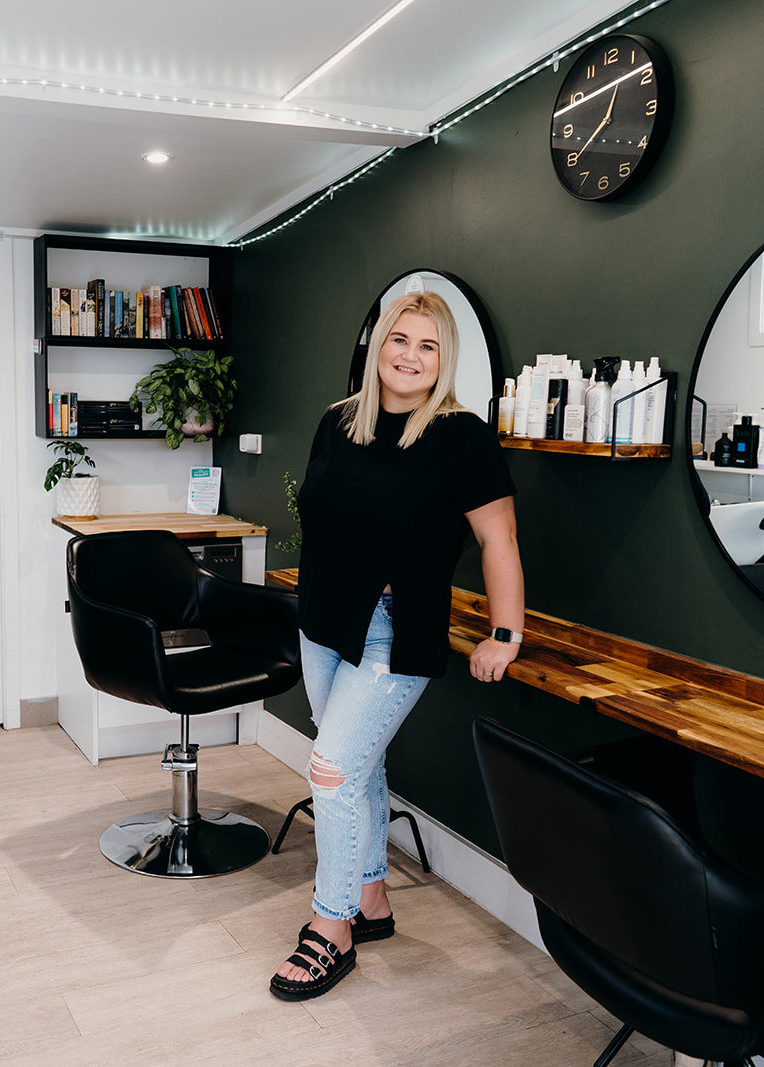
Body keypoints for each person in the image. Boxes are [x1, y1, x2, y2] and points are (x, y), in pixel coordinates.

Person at [270, 291, 524, 1001]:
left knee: (329, 767)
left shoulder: (460, 434)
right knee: (358, 763)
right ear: (379, 344)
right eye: (400, 339)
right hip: (322, 618)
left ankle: (332, 926)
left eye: (429, 345)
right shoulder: (337, 422)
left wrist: (507, 631)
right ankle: (373, 897)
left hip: (392, 625)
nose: (410, 356)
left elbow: (498, 538)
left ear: (444, 361)